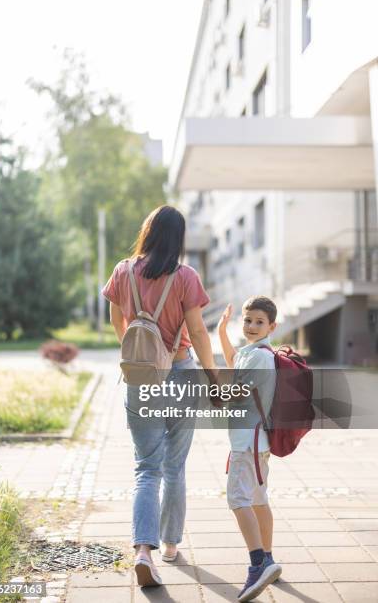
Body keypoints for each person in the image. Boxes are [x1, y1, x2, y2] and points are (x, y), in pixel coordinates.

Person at [103, 205, 217, 587]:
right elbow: (199, 332)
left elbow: (117, 319)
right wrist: (214, 376)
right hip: (182, 372)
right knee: (174, 465)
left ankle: (142, 552)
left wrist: (137, 352)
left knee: (146, 468)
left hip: (140, 378)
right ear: (178, 238)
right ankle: (170, 545)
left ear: (148, 232)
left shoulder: (123, 270)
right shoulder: (185, 276)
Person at [217, 296, 282, 602]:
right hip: (256, 442)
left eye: (259, 322)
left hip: (247, 444)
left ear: (272, 326)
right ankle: (267, 558)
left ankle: (259, 564)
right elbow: (233, 362)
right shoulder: (254, 352)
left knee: (238, 499)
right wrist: (220, 333)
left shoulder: (260, 358)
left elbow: (235, 393)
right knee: (257, 500)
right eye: (247, 320)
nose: (252, 326)